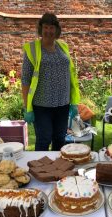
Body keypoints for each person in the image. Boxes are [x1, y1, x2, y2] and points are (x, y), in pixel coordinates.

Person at [21, 13, 80, 151]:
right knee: (44, 139)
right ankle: (40, 171)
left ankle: (58, 171)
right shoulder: (32, 49)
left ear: (57, 30)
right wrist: (27, 108)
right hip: (42, 106)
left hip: (63, 104)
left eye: (52, 27)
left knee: (60, 139)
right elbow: (25, 80)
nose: (48, 31)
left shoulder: (63, 46)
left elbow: (70, 74)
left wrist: (74, 101)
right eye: (46, 27)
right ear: (41, 29)